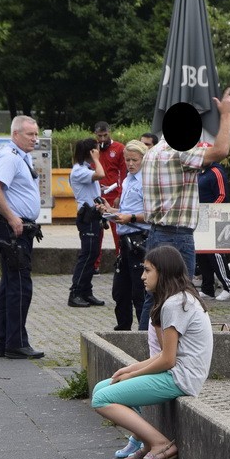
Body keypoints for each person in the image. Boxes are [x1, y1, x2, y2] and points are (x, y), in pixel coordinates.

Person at [90, 245, 212, 459]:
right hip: (175, 372)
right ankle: (146, 443)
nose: (142, 276)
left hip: (181, 378)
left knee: (101, 400)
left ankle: (160, 444)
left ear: (163, 272)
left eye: (148, 271)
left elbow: (168, 360)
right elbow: (164, 355)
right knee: (100, 388)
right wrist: (130, 369)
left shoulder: (175, 304)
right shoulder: (176, 299)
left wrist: (132, 374)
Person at [138, 88, 230, 330]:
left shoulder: (152, 153)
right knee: (181, 296)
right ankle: (173, 350)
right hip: (177, 237)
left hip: (155, 233)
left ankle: (143, 346)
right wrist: (226, 115)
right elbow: (222, 150)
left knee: (154, 296)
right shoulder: (178, 153)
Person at [0, 115, 45, 359]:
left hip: (17, 229)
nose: (35, 138)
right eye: (30, 134)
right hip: (13, 230)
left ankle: (5, 342)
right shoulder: (10, 157)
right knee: (20, 286)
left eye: (36, 133)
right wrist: (12, 217)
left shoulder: (20, 155)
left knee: (10, 284)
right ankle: (16, 343)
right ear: (15, 134)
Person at [96, 140, 149, 330]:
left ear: (144, 159)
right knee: (120, 292)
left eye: (134, 160)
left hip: (140, 239)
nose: (130, 164)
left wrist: (131, 218)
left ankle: (145, 334)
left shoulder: (147, 181)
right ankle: (122, 330)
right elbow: (125, 210)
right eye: (127, 160)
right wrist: (110, 210)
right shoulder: (127, 180)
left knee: (140, 293)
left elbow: (154, 215)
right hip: (125, 242)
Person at [68, 138, 106, 308]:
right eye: (96, 150)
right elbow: (101, 174)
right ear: (90, 152)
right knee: (87, 255)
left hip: (94, 216)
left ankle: (86, 291)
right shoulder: (79, 171)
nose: (99, 151)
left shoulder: (86, 169)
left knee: (93, 254)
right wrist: (97, 159)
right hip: (87, 218)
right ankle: (75, 293)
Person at [196, 162, 230, 301]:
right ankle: (207, 288)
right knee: (201, 252)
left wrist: (211, 211)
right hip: (200, 215)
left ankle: (229, 285)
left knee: (215, 253)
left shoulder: (216, 171)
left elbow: (222, 195)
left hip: (212, 216)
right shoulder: (200, 172)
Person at [94, 121, 128, 266]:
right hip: (98, 195)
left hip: (114, 195)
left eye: (105, 135)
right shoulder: (93, 149)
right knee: (97, 232)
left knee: (117, 231)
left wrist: (120, 195)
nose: (102, 139)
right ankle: (95, 264)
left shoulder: (119, 148)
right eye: (99, 136)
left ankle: (120, 260)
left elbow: (124, 174)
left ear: (110, 133)